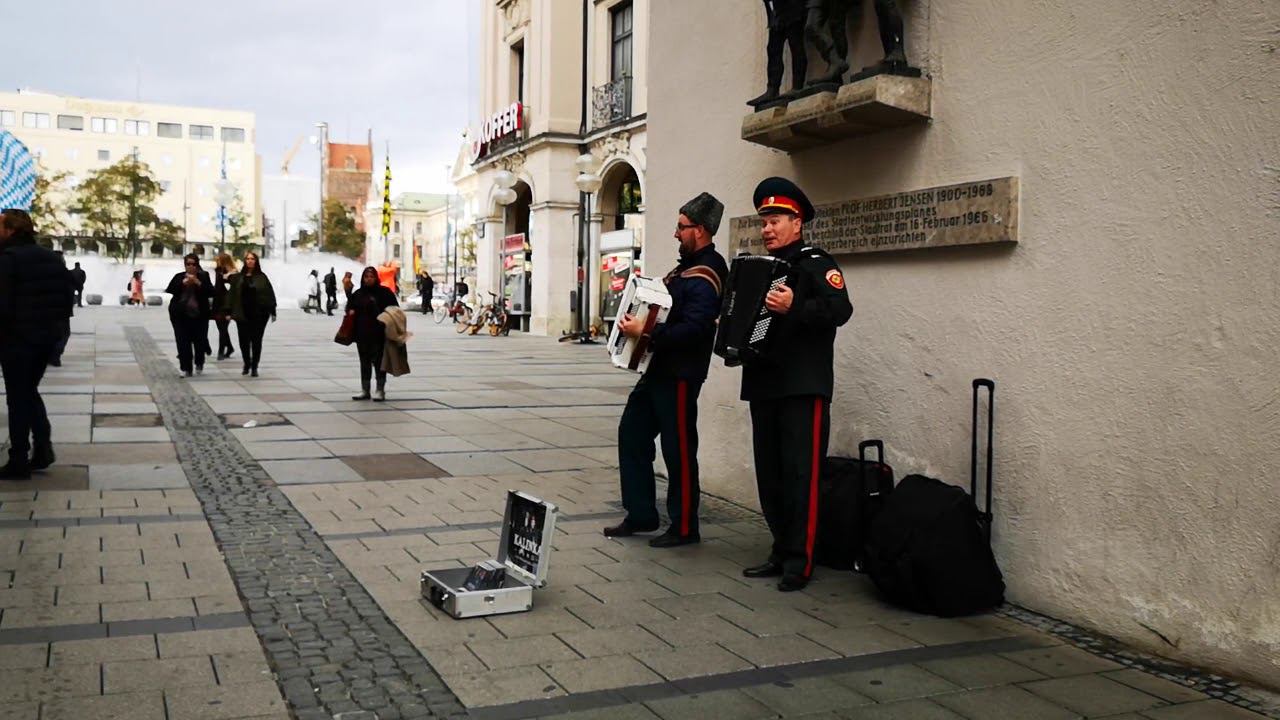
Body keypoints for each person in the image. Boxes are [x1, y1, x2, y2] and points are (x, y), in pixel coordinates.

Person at [739, 177, 852, 592]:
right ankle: (780, 548)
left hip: (804, 386)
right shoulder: (759, 268)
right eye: (763, 221)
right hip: (765, 383)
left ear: (797, 221)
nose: (766, 229)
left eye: (775, 221)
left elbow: (840, 310)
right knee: (770, 475)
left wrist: (795, 307)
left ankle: (801, 561)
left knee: (801, 474)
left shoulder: (816, 262)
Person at [604, 193, 729, 548]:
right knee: (632, 434)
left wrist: (645, 331)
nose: (676, 234)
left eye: (681, 227)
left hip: (680, 374)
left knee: (678, 450)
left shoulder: (707, 274)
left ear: (700, 231)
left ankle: (686, 527)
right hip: (659, 370)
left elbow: (697, 330)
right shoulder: (686, 269)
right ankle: (642, 514)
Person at [0, 209, 73, 479]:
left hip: (17, 340)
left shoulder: (8, 259)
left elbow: (3, 305)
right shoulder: (50, 258)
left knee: (18, 398)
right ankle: (42, 448)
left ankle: (19, 458)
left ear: (10, 230)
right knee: (28, 391)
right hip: (45, 338)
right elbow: (66, 300)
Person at [346, 266, 399, 402]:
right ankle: (365, 390)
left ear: (376, 278)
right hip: (362, 333)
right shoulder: (358, 293)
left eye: (371, 277)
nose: (369, 279)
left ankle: (380, 390)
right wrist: (348, 292)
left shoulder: (384, 293)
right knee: (364, 362)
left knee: (379, 362)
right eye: (366, 277)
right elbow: (350, 308)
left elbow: (395, 310)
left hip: (379, 333)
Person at [164, 254, 214, 377]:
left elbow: (211, 292)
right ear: (185, 265)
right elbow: (170, 289)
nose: (191, 266)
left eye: (193, 264)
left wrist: (198, 283)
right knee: (182, 342)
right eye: (188, 264)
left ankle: (199, 362)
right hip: (181, 315)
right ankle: (186, 367)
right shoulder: (179, 277)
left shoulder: (203, 276)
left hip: (199, 315)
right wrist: (183, 283)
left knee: (199, 341)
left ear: (197, 265)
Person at [228, 251, 276, 377]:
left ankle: (254, 366)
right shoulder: (238, 277)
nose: (250, 261)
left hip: (259, 314)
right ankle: (246, 363)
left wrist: (272, 310)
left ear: (256, 261)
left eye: (252, 259)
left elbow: (269, 294)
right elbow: (231, 295)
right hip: (242, 313)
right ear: (245, 261)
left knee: (256, 341)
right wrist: (228, 311)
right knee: (243, 341)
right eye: (248, 259)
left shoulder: (262, 277)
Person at [212, 253, 237, 360]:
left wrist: (229, 276)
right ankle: (230, 347)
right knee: (221, 328)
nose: (217, 262)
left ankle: (221, 351)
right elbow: (217, 286)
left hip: (227, 305)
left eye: (218, 260)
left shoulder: (234, 273)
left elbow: (234, 289)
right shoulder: (218, 271)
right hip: (217, 303)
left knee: (223, 328)